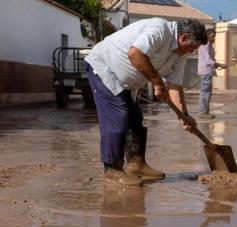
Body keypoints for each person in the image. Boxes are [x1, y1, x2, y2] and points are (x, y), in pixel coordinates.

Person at [85, 18, 206, 187]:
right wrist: (157, 82)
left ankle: (137, 165)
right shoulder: (159, 29)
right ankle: (112, 170)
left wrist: (184, 116)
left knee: (135, 117)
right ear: (183, 37)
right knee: (118, 115)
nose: (193, 52)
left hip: (128, 82)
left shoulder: (180, 54)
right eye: (193, 47)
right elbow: (135, 53)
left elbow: (175, 85)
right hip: (105, 68)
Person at [197, 28, 226, 119]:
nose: (214, 39)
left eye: (214, 37)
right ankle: (203, 112)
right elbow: (208, 60)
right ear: (208, 36)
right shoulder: (205, 45)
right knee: (205, 92)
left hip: (207, 71)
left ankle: (205, 111)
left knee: (207, 92)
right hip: (205, 72)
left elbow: (210, 60)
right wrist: (219, 64)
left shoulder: (209, 45)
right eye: (213, 37)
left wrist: (217, 65)